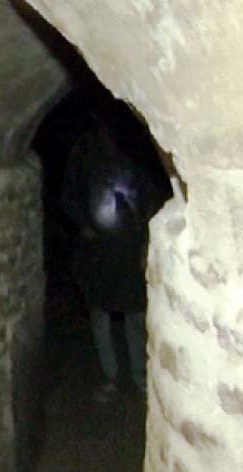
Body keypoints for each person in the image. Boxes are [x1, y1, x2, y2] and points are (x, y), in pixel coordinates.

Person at [59, 120, 169, 403]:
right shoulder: (84, 151)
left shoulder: (134, 149)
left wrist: (147, 238)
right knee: (101, 313)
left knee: (133, 313)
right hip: (97, 247)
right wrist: (83, 224)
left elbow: (150, 195)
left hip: (129, 246)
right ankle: (111, 377)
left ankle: (138, 376)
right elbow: (69, 195)